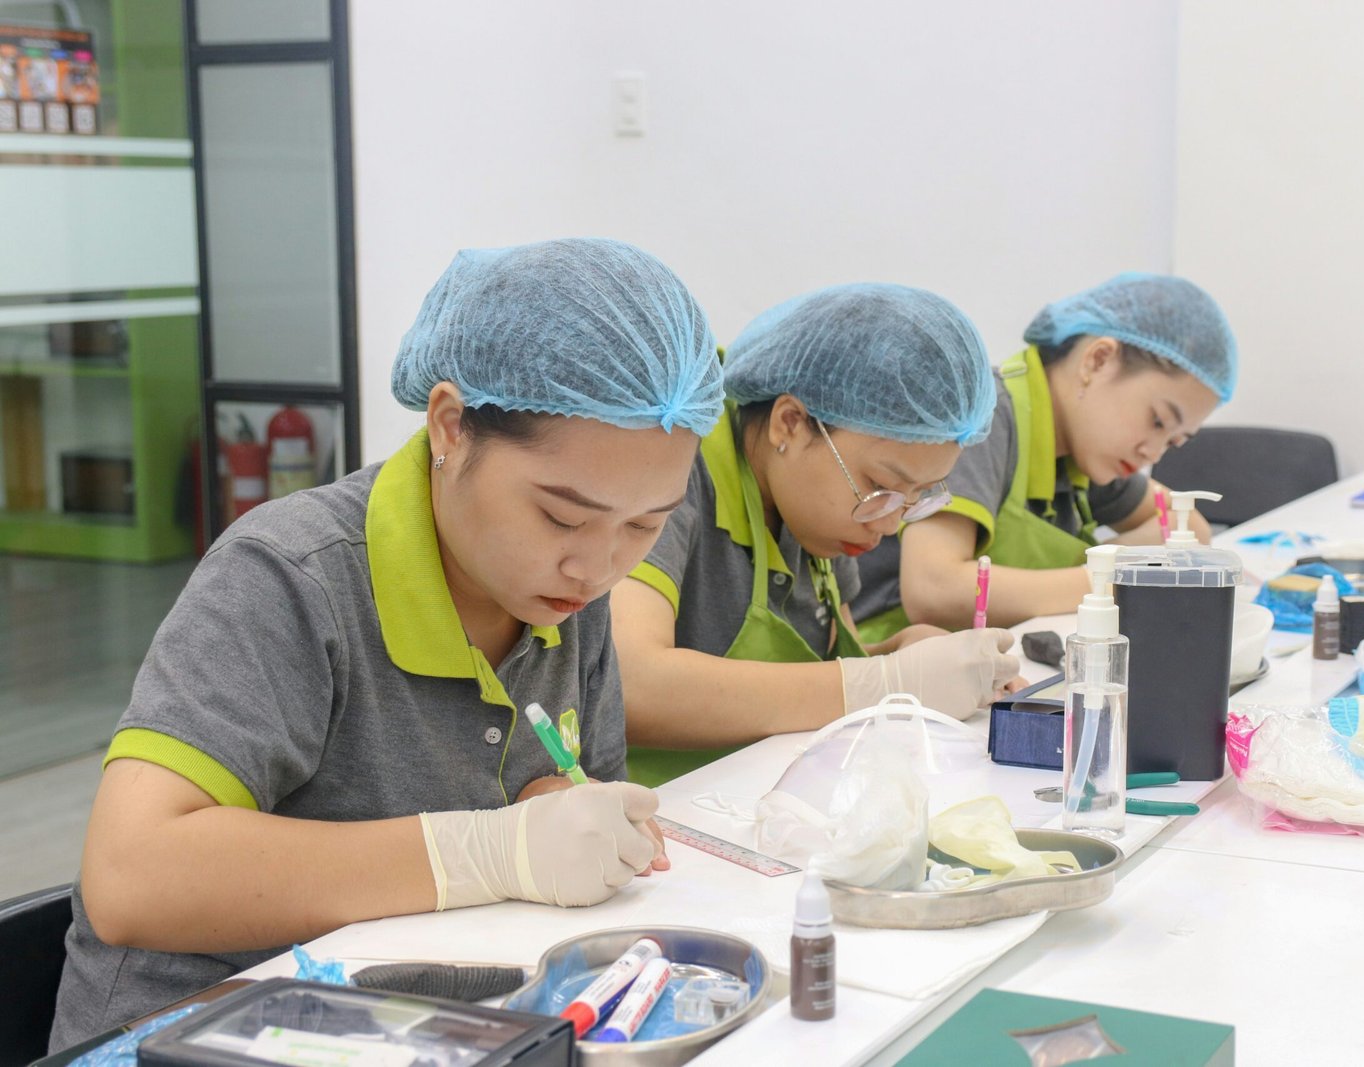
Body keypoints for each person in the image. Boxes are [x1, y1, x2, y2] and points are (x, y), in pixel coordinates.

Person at [49, 239, 726, 1047]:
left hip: (415, 1022)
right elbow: (134, 875)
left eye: (646, 524)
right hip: (196, 1031)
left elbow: (563, 792)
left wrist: (560, 813)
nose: (599, 563)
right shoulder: (292, 579)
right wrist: (486, 850)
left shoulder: (561, 593)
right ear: (449, 426)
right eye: (562, 515)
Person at [612, 283, 1022, 786]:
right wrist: (887, 683)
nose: (888, 524)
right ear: (790, 423)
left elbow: (822, 674)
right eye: (881, 487)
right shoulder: (676, 464)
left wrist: (902, 656)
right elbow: (630, 683)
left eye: (914, 498)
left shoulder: (816, 513)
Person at [853, 273, 1238, 637]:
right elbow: (934, 589)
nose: (1152, 452)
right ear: (1098, 360)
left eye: (1174, 441)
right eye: (1156, 421)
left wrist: (1118, 567)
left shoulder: (1083, 454)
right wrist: (1109, 576)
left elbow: (1189, 526)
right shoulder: (984, 418)